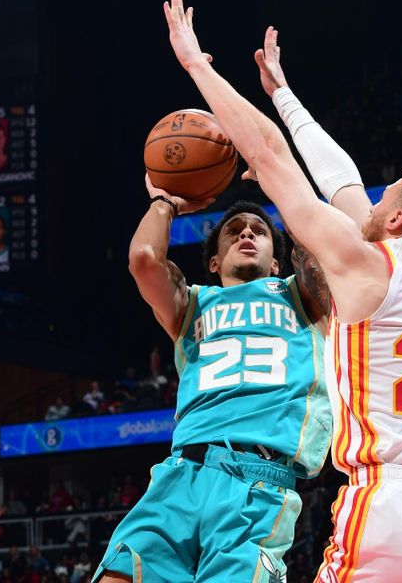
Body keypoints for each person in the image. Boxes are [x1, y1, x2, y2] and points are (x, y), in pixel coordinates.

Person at [163, 0, 402, 580]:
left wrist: (198, 67)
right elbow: (341, 178)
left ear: (395, 220)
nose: (372, 197)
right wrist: (283, 95)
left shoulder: (365, 264)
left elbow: (269, 155)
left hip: (393, 503)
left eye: (387, 193)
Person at [93, 185, 332, 578]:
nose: (247, 233)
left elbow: (319, 248)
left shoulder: (302, 296)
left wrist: (278, 185)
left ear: (277, 262)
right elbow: (143, 259)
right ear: (215, 263)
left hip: (258, 481)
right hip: (180, 474)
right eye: (234, 230)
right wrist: (165, 203)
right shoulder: (191, 304)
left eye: (259, 230)